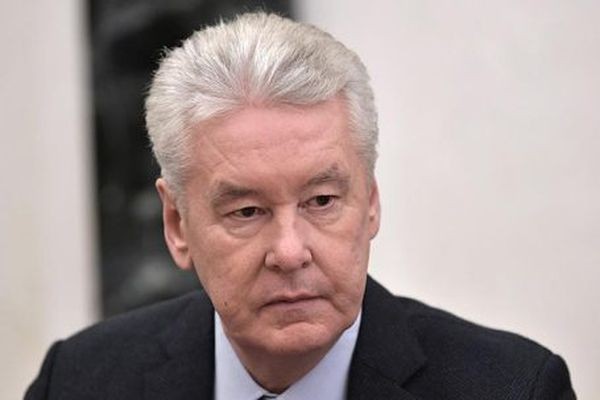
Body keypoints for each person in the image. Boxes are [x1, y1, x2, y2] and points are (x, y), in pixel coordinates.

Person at [26, 12, 576, 400]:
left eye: (321, 201)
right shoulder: (78, 382)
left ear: (371, 204)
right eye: (247, 212)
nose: (290, 253)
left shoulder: (512, 387)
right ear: (177, 224)